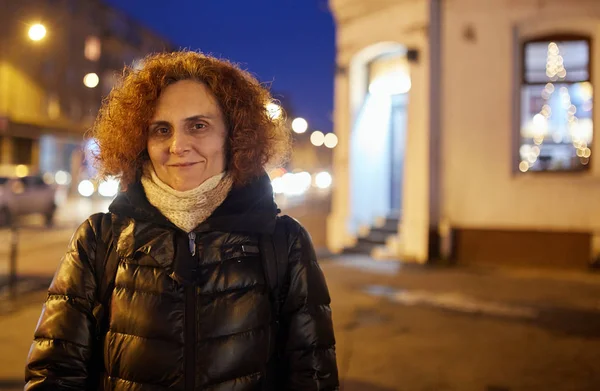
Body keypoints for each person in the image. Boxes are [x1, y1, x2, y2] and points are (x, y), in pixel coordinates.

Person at [24, 51, 339, 390]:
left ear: (234, 134)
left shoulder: (284, 242)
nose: (177, 145)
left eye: (198, 126)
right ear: (140, 140)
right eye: (161, 129)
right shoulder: (98, 240)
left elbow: (313, 377)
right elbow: (53, 374)